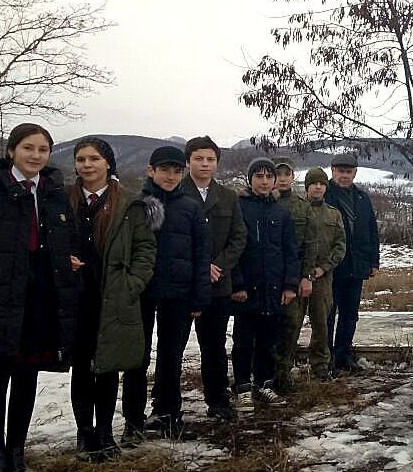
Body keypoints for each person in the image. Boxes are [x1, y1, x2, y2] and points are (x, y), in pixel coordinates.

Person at [0, 123, 79, 472]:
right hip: (0, 294)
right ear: (12, 151)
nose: (36, 156)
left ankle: (17, 453)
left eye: (43, 150)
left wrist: (66, 260)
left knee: (27, 375)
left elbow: (65, 235)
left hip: (40, 295)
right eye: (28, 148)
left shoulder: (54, 191)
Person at [67, 137, 157, 461]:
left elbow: (146, 249)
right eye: (81, 159)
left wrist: (132, 284)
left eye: (93, 158)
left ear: (107, 163)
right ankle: (84, 433)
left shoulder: (130, 204)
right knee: (81, 367)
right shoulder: (64, 200)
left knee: (107, 367)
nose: (87, 165)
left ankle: (104, 432)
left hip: (113, 296)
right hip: (76, 298)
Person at [121, 146, 210, 442]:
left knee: (171, 357)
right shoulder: (138, 205)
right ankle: (132, 422)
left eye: (176, 171)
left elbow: (201, 254)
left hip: (179, 293)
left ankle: (170, 414)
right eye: (164, 170)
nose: (170, 176)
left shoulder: (191, 207)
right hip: (143, 292)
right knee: (137, 357)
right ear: (151, 171)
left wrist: (199, 296)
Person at [180, 136, 247, 422]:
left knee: (214, 345)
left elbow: (239, 236)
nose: (204, 164)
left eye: (210, 159)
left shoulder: (228, 197)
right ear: (188, 162)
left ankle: (218, 400)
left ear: (217, 163)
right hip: (183, 284)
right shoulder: (175, 193)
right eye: (198, 158)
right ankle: (166, 407)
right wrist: (200, 266)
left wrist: (217, 265)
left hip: (219, 284)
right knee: (174, 348)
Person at [230, 158, 299, 412]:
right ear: (250, 180)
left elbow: (291, 251)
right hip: (247, 289)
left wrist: (289, 285)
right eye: (258, 176)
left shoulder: (281, 211)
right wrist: (236, 284)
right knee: (243, 341)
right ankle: (242, 387)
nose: (264, 181)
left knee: (269, 340)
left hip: (274, 289)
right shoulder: (239, 207)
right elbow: (232, 249)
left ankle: (264, 383)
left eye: (268, 177)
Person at [276, 159, 346, 385]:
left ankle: (320, 365)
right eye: (313, 183)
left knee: (321, 323)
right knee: (291, 323)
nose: (318, 187)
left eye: (322, 183)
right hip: (296, 275)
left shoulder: (334, 215)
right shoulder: (296, 207)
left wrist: (323, 268)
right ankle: (283, 368)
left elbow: (340, 245)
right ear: (306, 186)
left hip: (322, 279)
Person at [325, 153, 379, 374]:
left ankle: (343, 355)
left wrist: (373, 261)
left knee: (350, 314)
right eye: (340, 171)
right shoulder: (324, 195)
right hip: (331, 268)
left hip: (356, 267)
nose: (344, 175)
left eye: (348, 172)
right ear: (332, 171)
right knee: (328, 315)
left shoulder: (362, 198)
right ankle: (326, 358)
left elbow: (371, 231)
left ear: (355, 173)